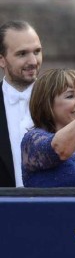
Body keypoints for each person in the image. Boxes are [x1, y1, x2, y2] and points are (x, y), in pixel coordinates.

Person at [0, 20, 42, 187]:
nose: (33, 61)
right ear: (2, 60)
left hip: (53, 208)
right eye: (22, 54)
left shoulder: (61, 100)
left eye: (37, 51)